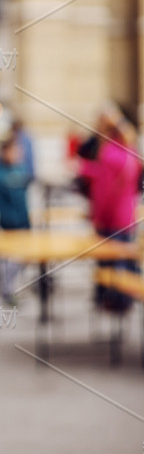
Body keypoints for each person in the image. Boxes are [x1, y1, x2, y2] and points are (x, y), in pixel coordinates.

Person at [78, 104, 142, 313]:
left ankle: (111, 301)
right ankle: (123, 302)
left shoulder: (109, 153)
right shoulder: (130, 152)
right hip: (126, 216)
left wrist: (97, 215)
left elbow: (104, 191)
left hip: (110, 217)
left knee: (108, 263)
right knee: (122, 260)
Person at [0, 138, 33, 305]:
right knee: (9, 260)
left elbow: (24, 200)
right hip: (9, 224)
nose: (17, 154)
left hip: (22, 222)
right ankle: (7, 290)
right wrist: (10, 220)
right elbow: (0, 202)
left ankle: (11, 288)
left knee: (24, 258)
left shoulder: (19, 169)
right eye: (14, 150)